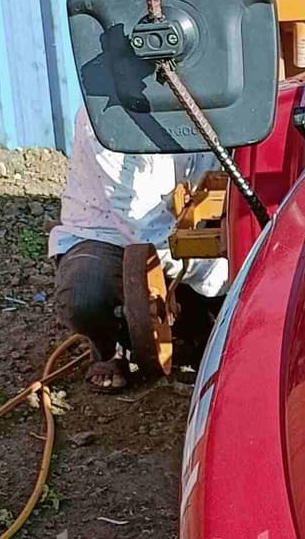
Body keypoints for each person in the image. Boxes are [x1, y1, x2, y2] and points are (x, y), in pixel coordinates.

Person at [50, 108, 225, 385]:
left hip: (196, 227)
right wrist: (222, 275)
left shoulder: (228, 95)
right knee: (85, 296)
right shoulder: (106, 116)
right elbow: (143, 227)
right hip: (110, 234)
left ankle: (198, 329)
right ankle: (111, 348)